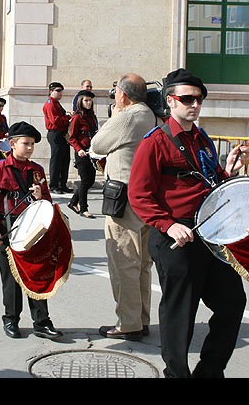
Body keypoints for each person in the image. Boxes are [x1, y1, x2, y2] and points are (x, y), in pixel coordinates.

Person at [128, 68, 249, 378]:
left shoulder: (202, 138)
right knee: (180, 312)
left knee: (232, 302)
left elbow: (212, 183)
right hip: (175, 235)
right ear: (171, 101)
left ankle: (209, 371)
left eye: (199, 99)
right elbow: (139, 195)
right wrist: (168, 225)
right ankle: (176, 373)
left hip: (209, 232)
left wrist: (230, 171)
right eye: (187, 99)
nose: (194, 104)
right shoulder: (155, 141)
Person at [0, 121, 62, 340]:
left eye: (33, 144)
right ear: (13, 144)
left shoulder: (37, 170)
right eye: (25, 144)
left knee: (37, 276)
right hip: (8, 228)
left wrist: (40, 197)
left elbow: (47, 201)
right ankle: (11, 320)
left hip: (33, 231)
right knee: (11, 279)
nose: (30, 148)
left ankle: (42, 322)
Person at [90, 74, 156, 340]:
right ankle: (141, 319)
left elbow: (97, 144)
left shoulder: (127, 117)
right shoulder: (150, 114)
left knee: (124, 262)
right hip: (145, 197)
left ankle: (128, 324)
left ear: (123, 95)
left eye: (116, 90)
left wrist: (115, 115)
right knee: (141, 264)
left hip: (124, 199)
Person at [67, 89, 98, 218]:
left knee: (91, 180)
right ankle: (83, 208)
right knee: (85, 180)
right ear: (80, 101)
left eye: (90, 100)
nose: (89, 102)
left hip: (91, 152)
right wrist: (78, 149)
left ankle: (73, 202)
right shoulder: (77, 118)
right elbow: (72, 137)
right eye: (86, 100)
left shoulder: (92, 117)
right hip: (81, 152)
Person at [43, 82, 71, 194]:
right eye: (57, 90)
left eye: (61, 91)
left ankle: (62, 184)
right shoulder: (50, 104)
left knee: (64, 159)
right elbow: (56, 121)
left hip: (61, 134)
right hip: (55, 133)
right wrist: (68, 117)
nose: (60, 93)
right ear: (51, 91)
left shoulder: (57, 103)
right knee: (56, 160)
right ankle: (54, 185)